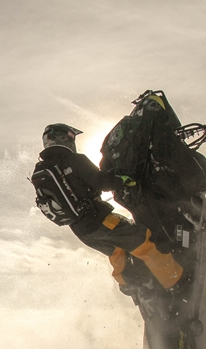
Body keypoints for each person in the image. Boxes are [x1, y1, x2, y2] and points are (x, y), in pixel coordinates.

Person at [34, 123, 187, 294]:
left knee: (117, 252)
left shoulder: (42, 169)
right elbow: (102, 182)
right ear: (64, 139)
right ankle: (178, 282)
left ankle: (134, 288)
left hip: (82, 231)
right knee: (143, 240)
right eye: (71, 137)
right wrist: (123, 178)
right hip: (100, 220)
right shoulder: (75, 160)